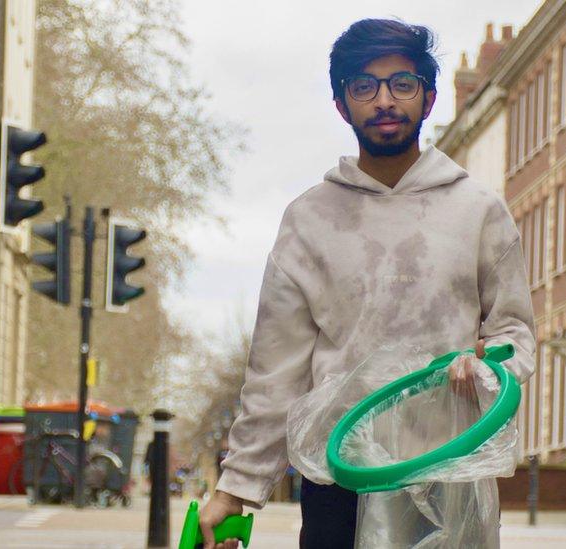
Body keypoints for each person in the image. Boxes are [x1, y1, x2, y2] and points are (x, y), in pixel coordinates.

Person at [199, 18, 536, 549]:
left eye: (402, 84)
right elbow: (275, 372)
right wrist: (236, 489)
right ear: (341, 103)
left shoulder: (479, 211)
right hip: (339, 478)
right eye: (365, 86)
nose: (385, 100)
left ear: (427, 99)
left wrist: (489, 367)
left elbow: (514, 331)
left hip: (446, 471)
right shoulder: (309, 220)